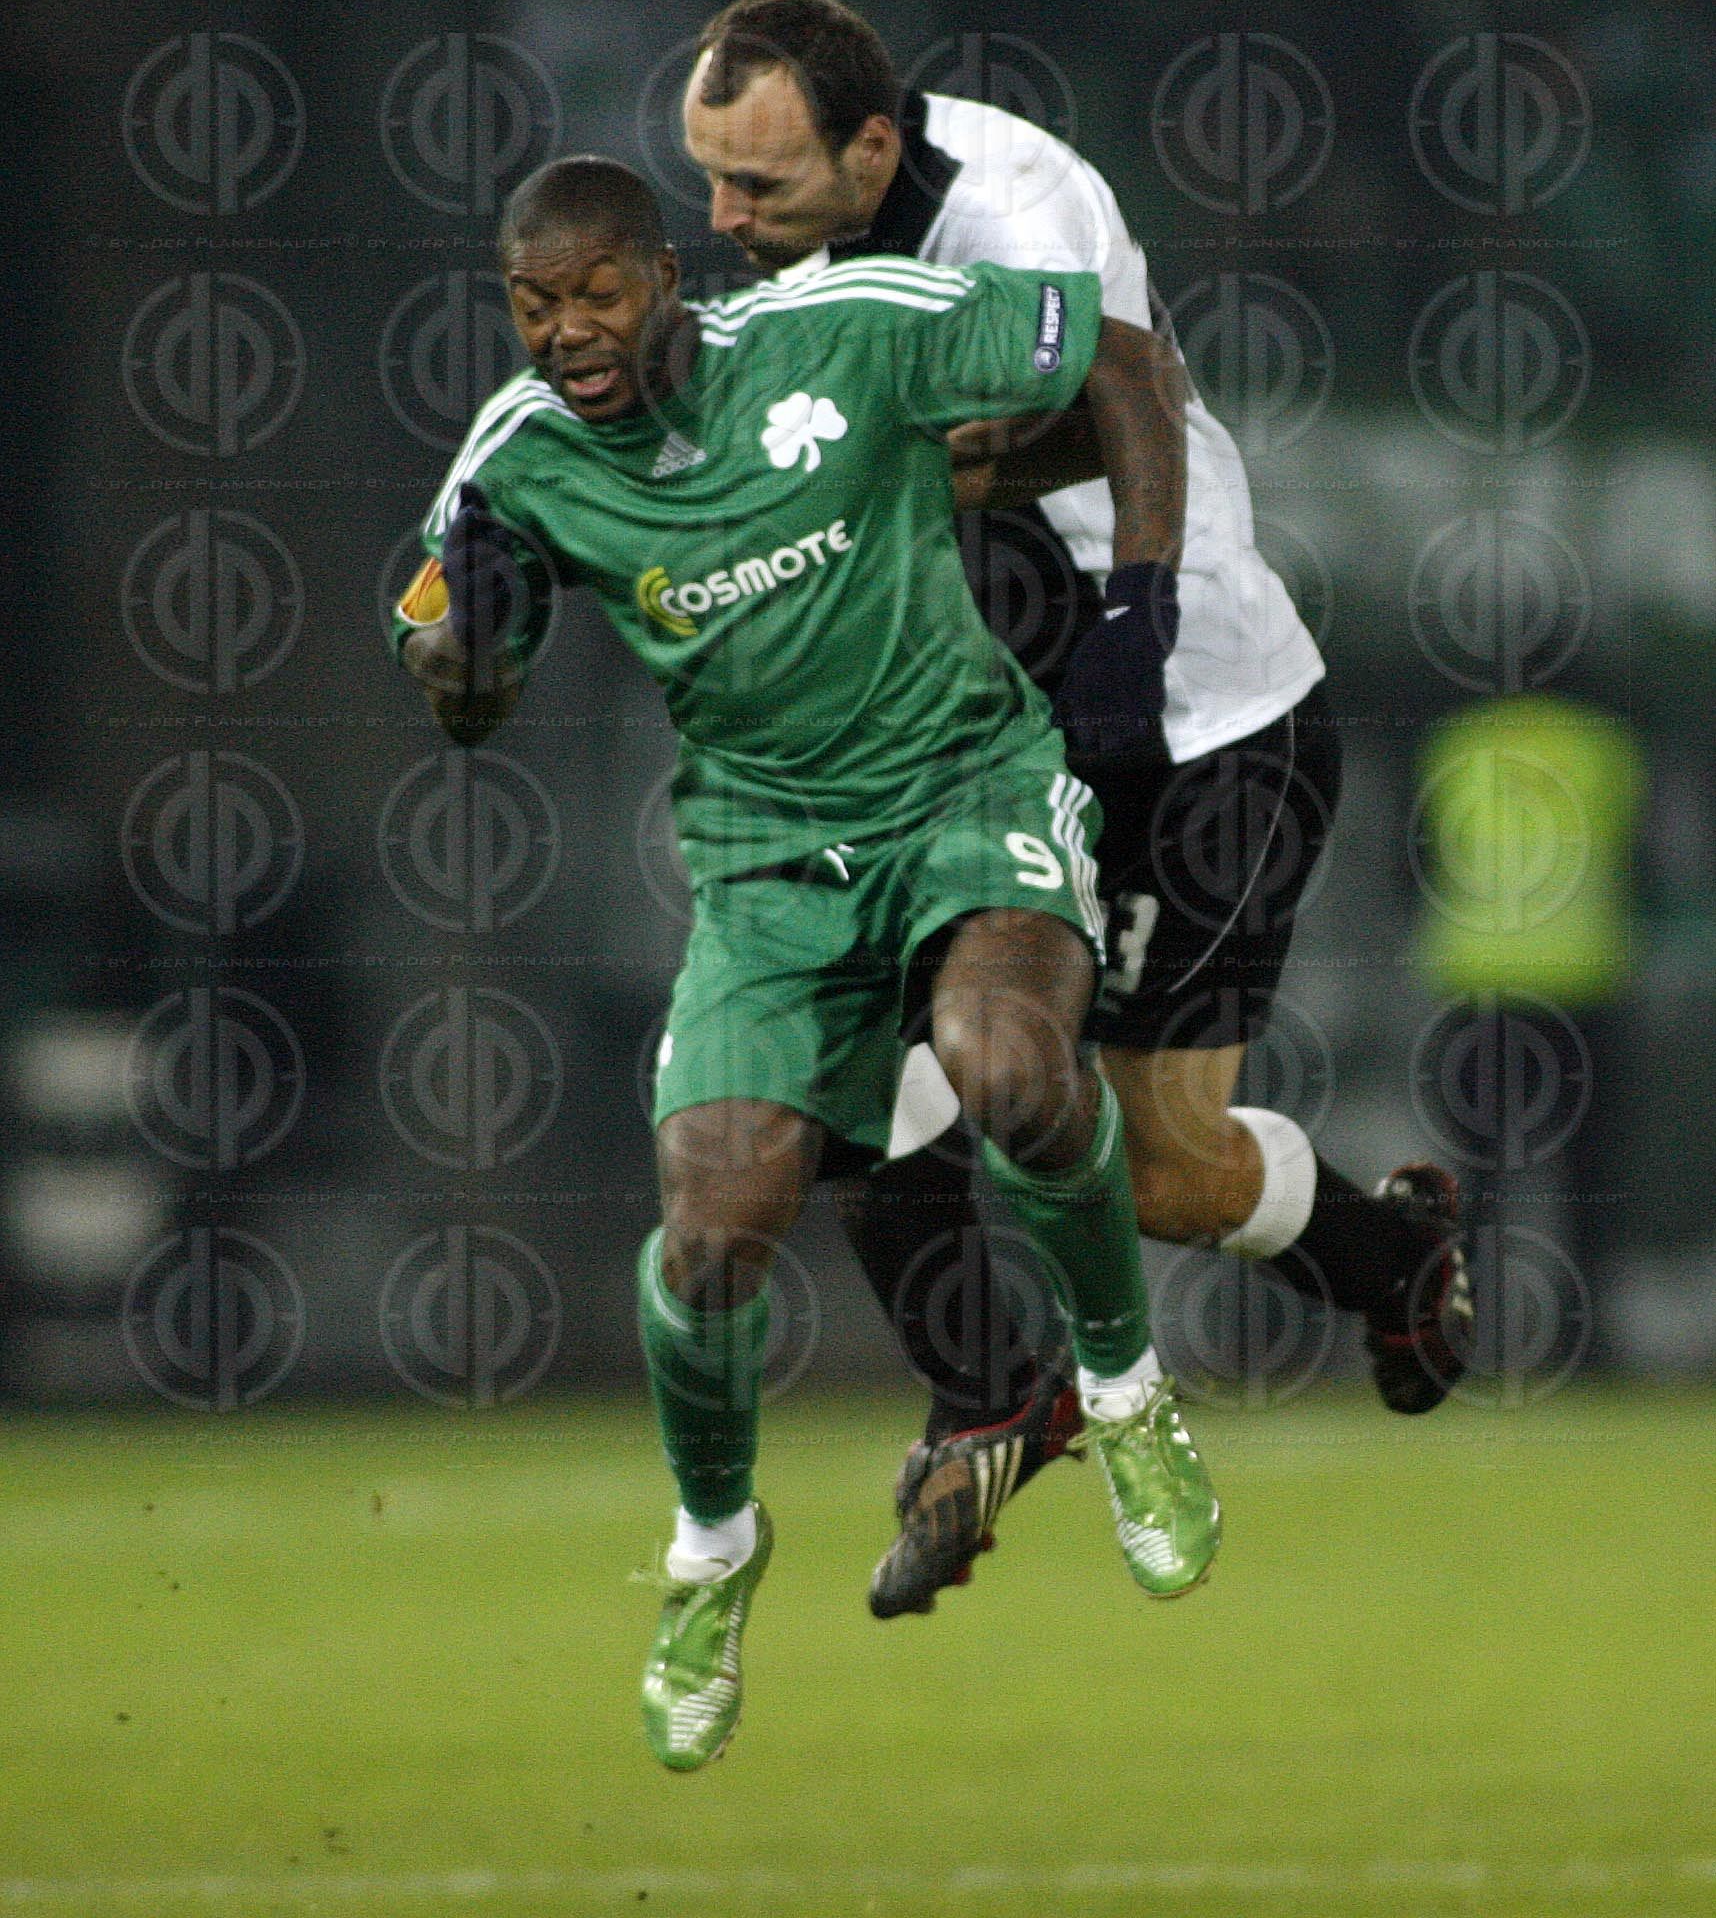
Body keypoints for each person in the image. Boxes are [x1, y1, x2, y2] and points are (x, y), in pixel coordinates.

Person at [393, 154, 1219, 1774]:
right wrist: (463, 652)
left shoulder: (846, 324)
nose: (567, 331)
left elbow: (1126, 359)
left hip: (965, 788)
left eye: (597, 292)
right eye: (534, 306)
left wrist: (1137, 607)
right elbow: (460, 689)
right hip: (764, 870)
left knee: (1009, 1067)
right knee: (711, 1243)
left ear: (665, 275)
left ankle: (1125, 1394)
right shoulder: (516, 462)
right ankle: (713, 1551)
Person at [678, 0, 1474, 1616]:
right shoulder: (798, 273)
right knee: (865, 1054)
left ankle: (1392, 1258)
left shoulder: (1016, 201)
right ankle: (992, 1395)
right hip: (984, 737)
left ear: (870, 149)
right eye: (710, 181)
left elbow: (1120, 390)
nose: (726, 220)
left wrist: (1135, 609)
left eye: (758, 184)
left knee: (1159, 1170)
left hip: (1190, 727)